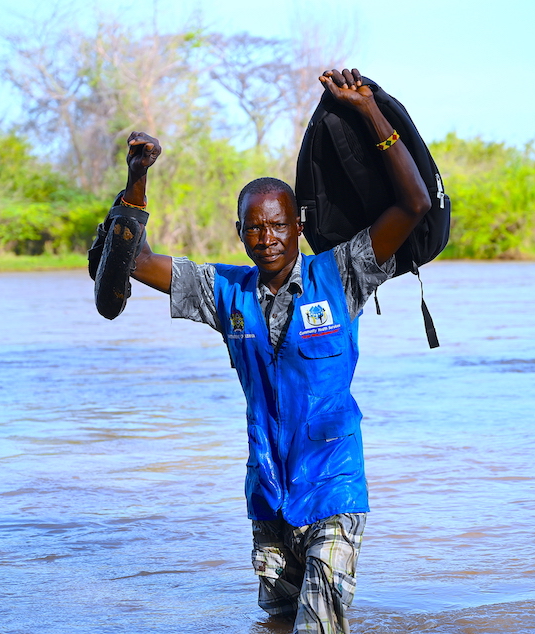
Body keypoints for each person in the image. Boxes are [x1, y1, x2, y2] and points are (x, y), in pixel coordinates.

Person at [109, 68, 430, 634]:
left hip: (334, 484)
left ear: (298, 226)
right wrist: (137, 181)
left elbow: (413, 205)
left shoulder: (343, 275)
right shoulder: (224, 292)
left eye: (278, 225)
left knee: (318, 628)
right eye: (254, 229)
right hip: (269, 495)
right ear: (240, 234)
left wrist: (369, 112)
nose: (268, 238)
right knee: (278, 626)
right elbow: (133, 263)